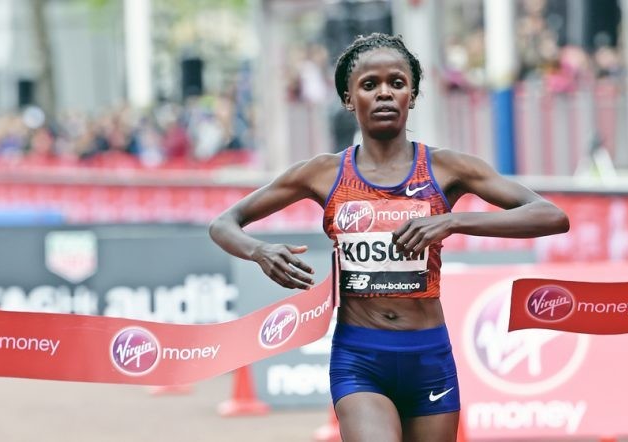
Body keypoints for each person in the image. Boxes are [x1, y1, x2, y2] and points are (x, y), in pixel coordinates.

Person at [209, 33, 569, 442]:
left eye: (396, 83)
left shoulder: (447, 168)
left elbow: (550, 215)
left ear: (411, 96)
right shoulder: (323, 173)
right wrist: (259, 251)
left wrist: (452, 222)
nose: (384, 93)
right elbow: (224, 223)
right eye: (370, 84)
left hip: (429, 356)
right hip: (360, 357)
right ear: (349, 99)